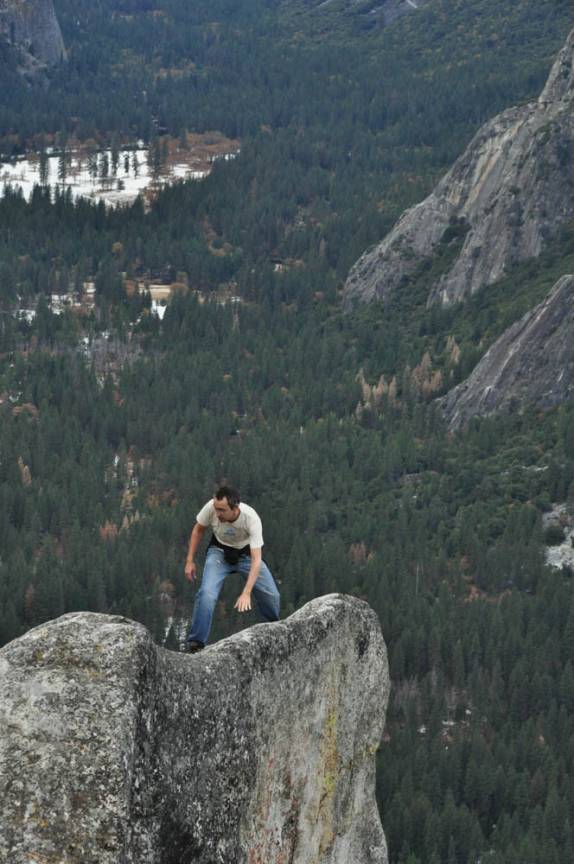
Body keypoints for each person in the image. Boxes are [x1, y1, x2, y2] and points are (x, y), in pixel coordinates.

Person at [184, 485, 280, 652]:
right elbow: (198, 530)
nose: (217, 513)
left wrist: (246, 592)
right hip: (219, 552)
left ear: (235, 508)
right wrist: (190, 560)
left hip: (246, 555)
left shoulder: (251, 518)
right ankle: (196, 643)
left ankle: (275, 630)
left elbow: (256, 560)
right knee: (206, 594)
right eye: (216, 509)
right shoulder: (211, 507)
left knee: (271, 595)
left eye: (222, 510)